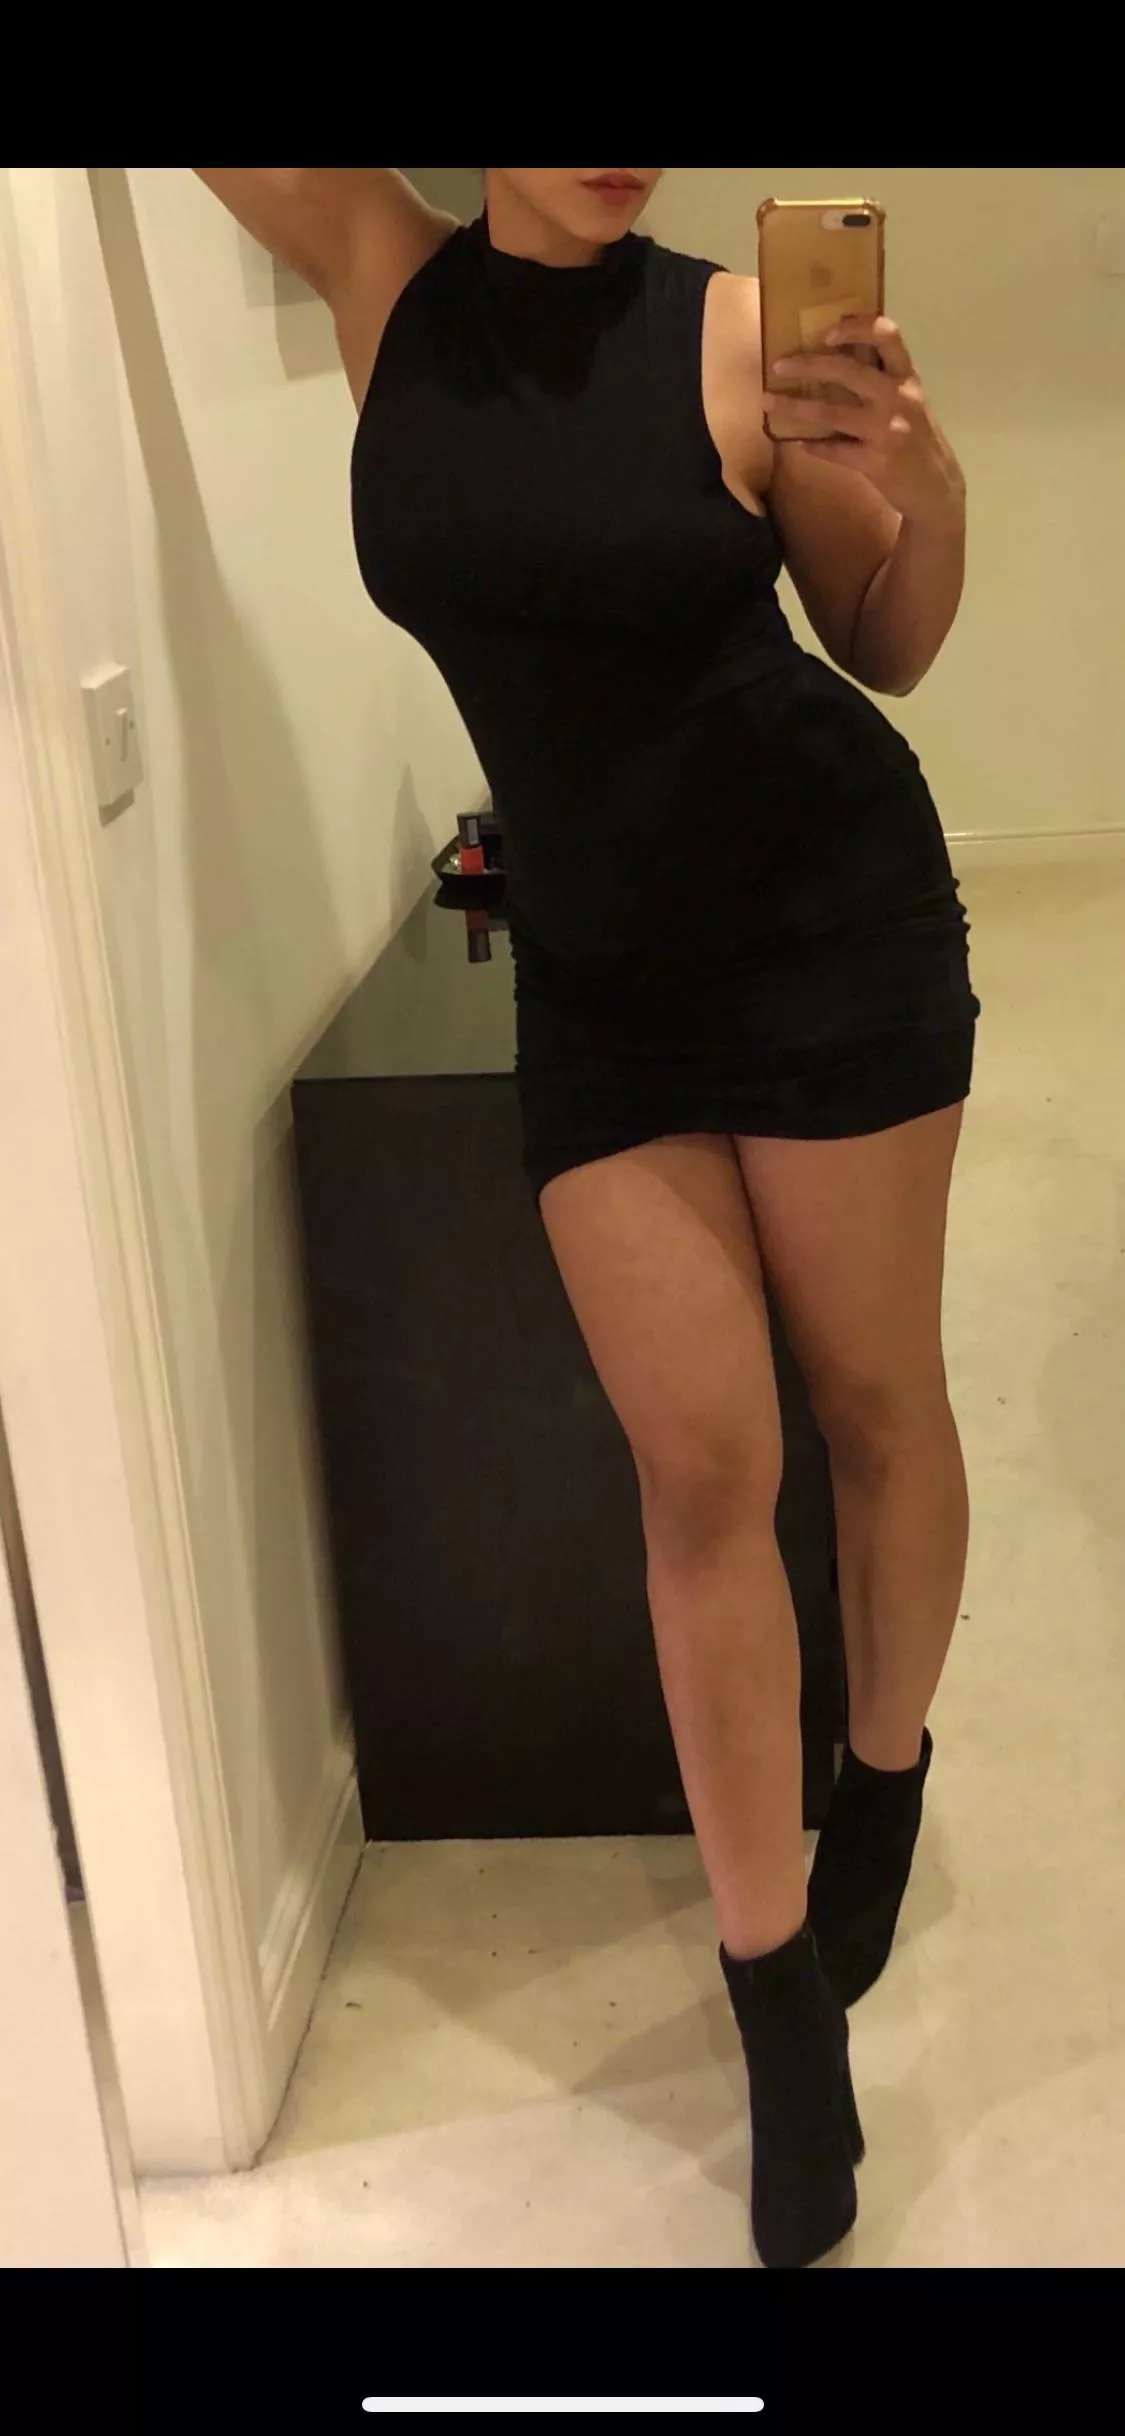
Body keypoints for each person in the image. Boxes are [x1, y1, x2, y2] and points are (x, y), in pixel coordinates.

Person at [196, 167, 977, 2268]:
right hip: (603, 995)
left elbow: (888, 644)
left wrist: (919, 483)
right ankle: (777, 2009)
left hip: (835, 936)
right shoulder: (379, 274)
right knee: (702, 1473)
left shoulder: (734, 330)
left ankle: (883, 1773)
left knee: (874, 1401)